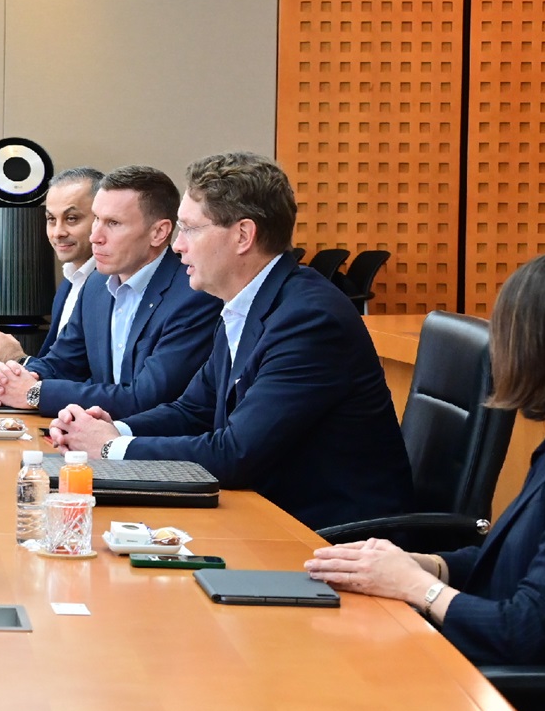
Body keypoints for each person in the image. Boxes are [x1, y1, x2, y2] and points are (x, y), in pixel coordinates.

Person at [46, 152, 412, 530]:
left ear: (243, 236)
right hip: (265, 516)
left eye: (190, 229)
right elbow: (193, 411)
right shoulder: (245, 303)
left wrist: (110, 447)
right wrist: (115, 429)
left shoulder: (309, 320)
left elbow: (236, 453)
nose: (177, 246)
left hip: (329, 536)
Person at [307, 252, 545, 667]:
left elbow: (529, 630)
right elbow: (511, 562)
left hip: (508, 687)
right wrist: (421, 565)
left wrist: (416, 587)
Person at [0, 166, 219, 416]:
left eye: (113, 223)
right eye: (96, 219)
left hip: (147, 437)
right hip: (88, 431)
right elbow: (61, 365)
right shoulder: (96, 285)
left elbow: (146, 397)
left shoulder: (194, 296)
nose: (95, 236)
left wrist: (35, 393)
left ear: (158, 232)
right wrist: (12, 379)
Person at [0, 167, 102, 365]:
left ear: (102, 218)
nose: (57, 232)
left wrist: (16, 359)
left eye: (71, 219)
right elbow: (57, 367)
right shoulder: (71, 279)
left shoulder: (110, 286)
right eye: (51, 219)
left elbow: (83, 374)